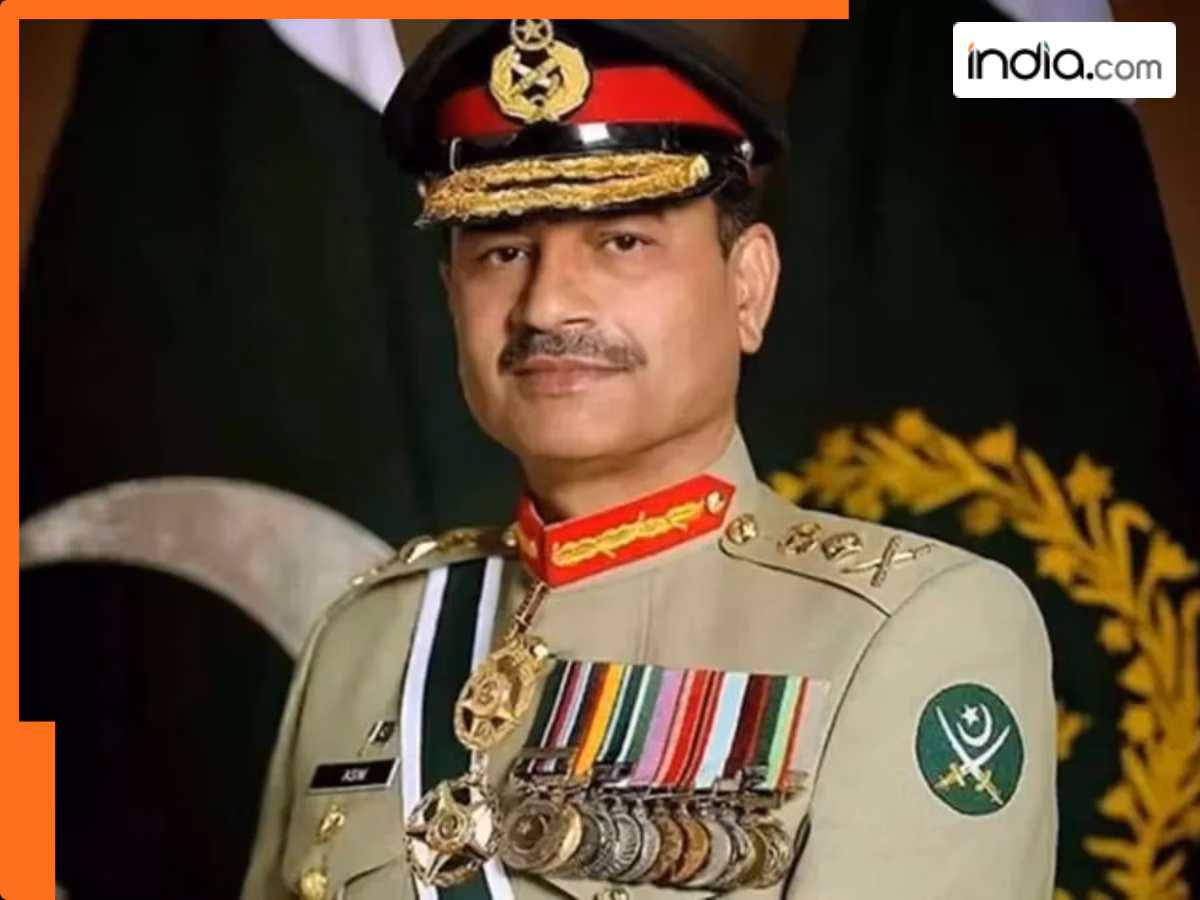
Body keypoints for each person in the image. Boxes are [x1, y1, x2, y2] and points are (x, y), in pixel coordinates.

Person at [240, 19, 1057, 900]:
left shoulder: (907, 629)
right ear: (450, 298)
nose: (545, 304)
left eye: (622, 241)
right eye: (504, 251)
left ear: (748, 287)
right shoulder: (368, 637)